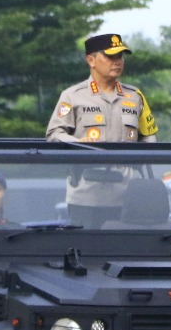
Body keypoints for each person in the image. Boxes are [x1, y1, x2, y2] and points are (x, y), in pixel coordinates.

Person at [46, 32, 159, 225]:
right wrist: (79, 144)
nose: (117, 62)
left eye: (120, 56)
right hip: (88, 193)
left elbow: (149, 137)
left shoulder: (135, 96)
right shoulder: (72, 96)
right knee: (89, 251)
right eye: (110, 56)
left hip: (128, 193)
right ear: (91, 60)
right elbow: (54, 135)